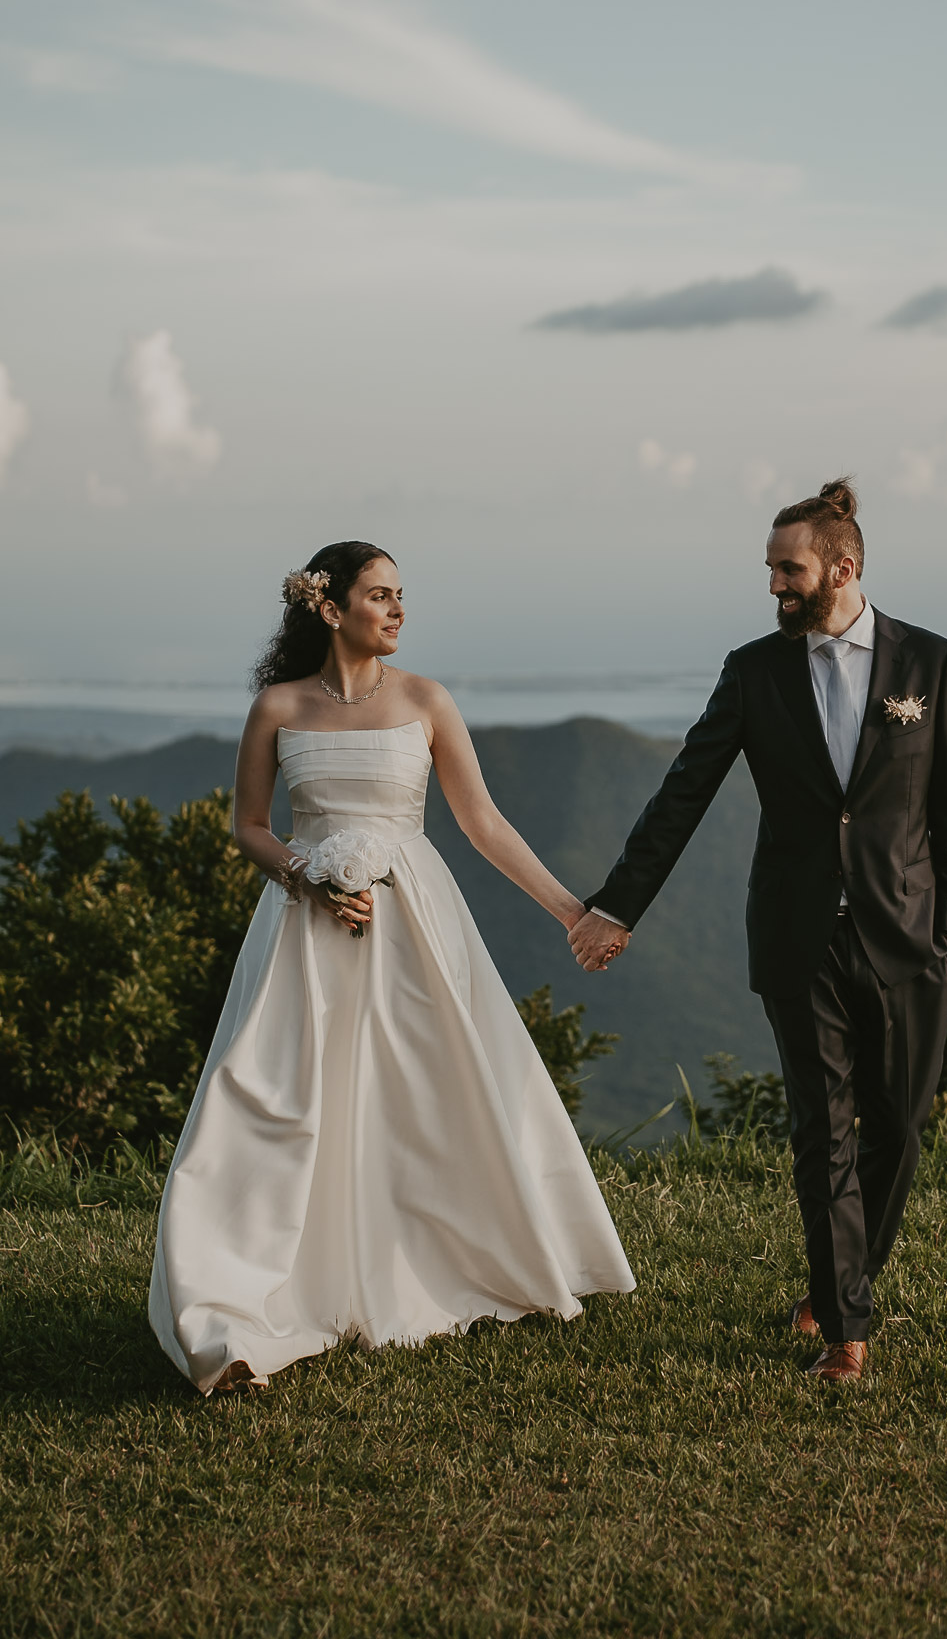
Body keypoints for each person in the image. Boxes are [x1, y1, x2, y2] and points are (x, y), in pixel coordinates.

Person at [149, 540, 634, 1394]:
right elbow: (251, 826)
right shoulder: (277, 706)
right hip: (305, 926)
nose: (400, 609)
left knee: (427, 1093)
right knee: (267, 1097)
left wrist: (571, 911)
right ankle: (228, 1310)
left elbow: (481, 823)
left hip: (414, 921)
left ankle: (430, 1261)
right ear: (329, 608)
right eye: (381, 595)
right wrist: (308, 875)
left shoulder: (426, 700)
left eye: (402, 594)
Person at [568, 479, 947, 1382]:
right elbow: (684, 793)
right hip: (797, 937)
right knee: (821, 1129)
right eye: (769, 570)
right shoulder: (753, 671)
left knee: (898, 1132)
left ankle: (838, 1284)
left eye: (787, 570)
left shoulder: (932, 663)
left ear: (844, 566)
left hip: (911, 938)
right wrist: (615, 904)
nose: (773, 587)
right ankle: (846, 1327)